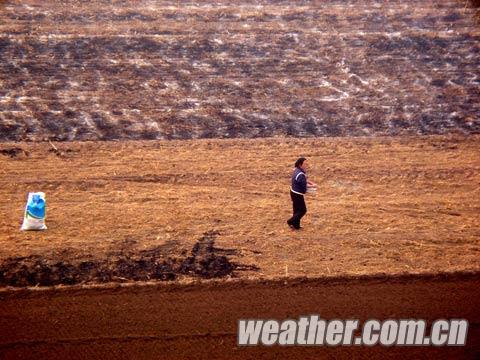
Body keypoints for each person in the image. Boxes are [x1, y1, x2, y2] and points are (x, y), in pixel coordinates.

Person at [287, 157, 316, 230]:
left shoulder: (297, 170)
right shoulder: (301, 175)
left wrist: (309, 183)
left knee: (296, 210)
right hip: (297, 194)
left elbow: (303, 180)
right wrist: (313, 186)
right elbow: (304, 187)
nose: (307, 165)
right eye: (305, 164)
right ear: (300, 165)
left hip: (293, 191)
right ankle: (290, 221)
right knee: (303, 210)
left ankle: (296, 226)